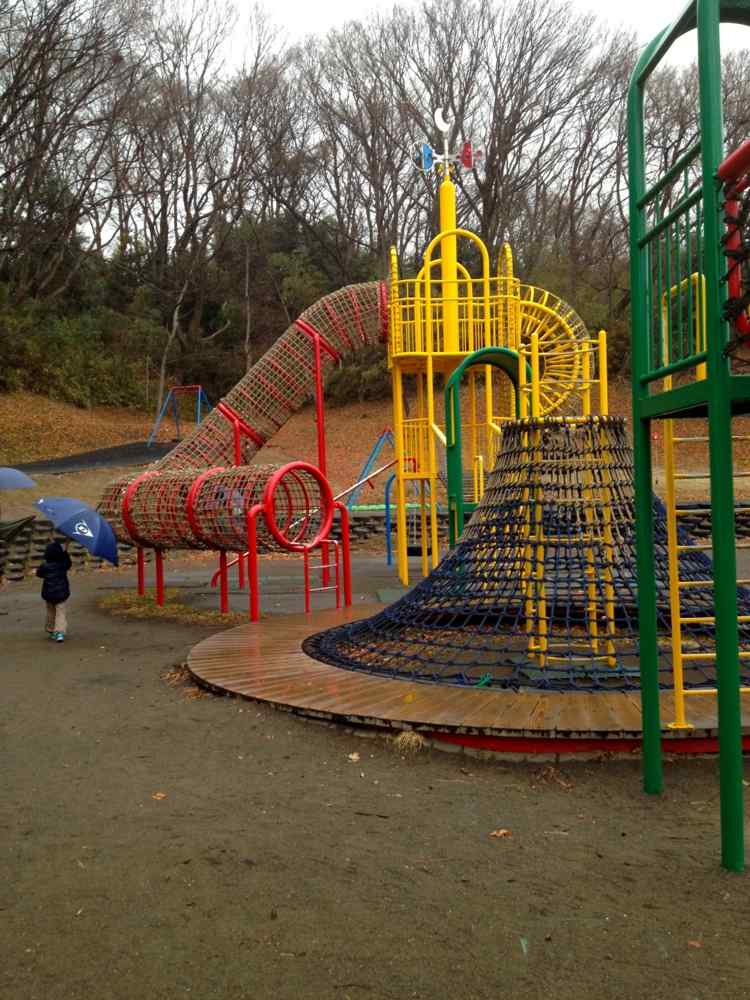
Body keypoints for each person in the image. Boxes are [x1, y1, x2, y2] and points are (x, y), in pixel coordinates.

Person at [36, 539, 72, 642]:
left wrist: (43, 565)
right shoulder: (62, 565)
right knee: (60, 613)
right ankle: (59, 632)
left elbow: (39, 574)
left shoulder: (45, 566)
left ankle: (51, 630)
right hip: (61, 594)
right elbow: (69, 564)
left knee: (51, 612)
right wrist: (65, 553)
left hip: (49, 594)